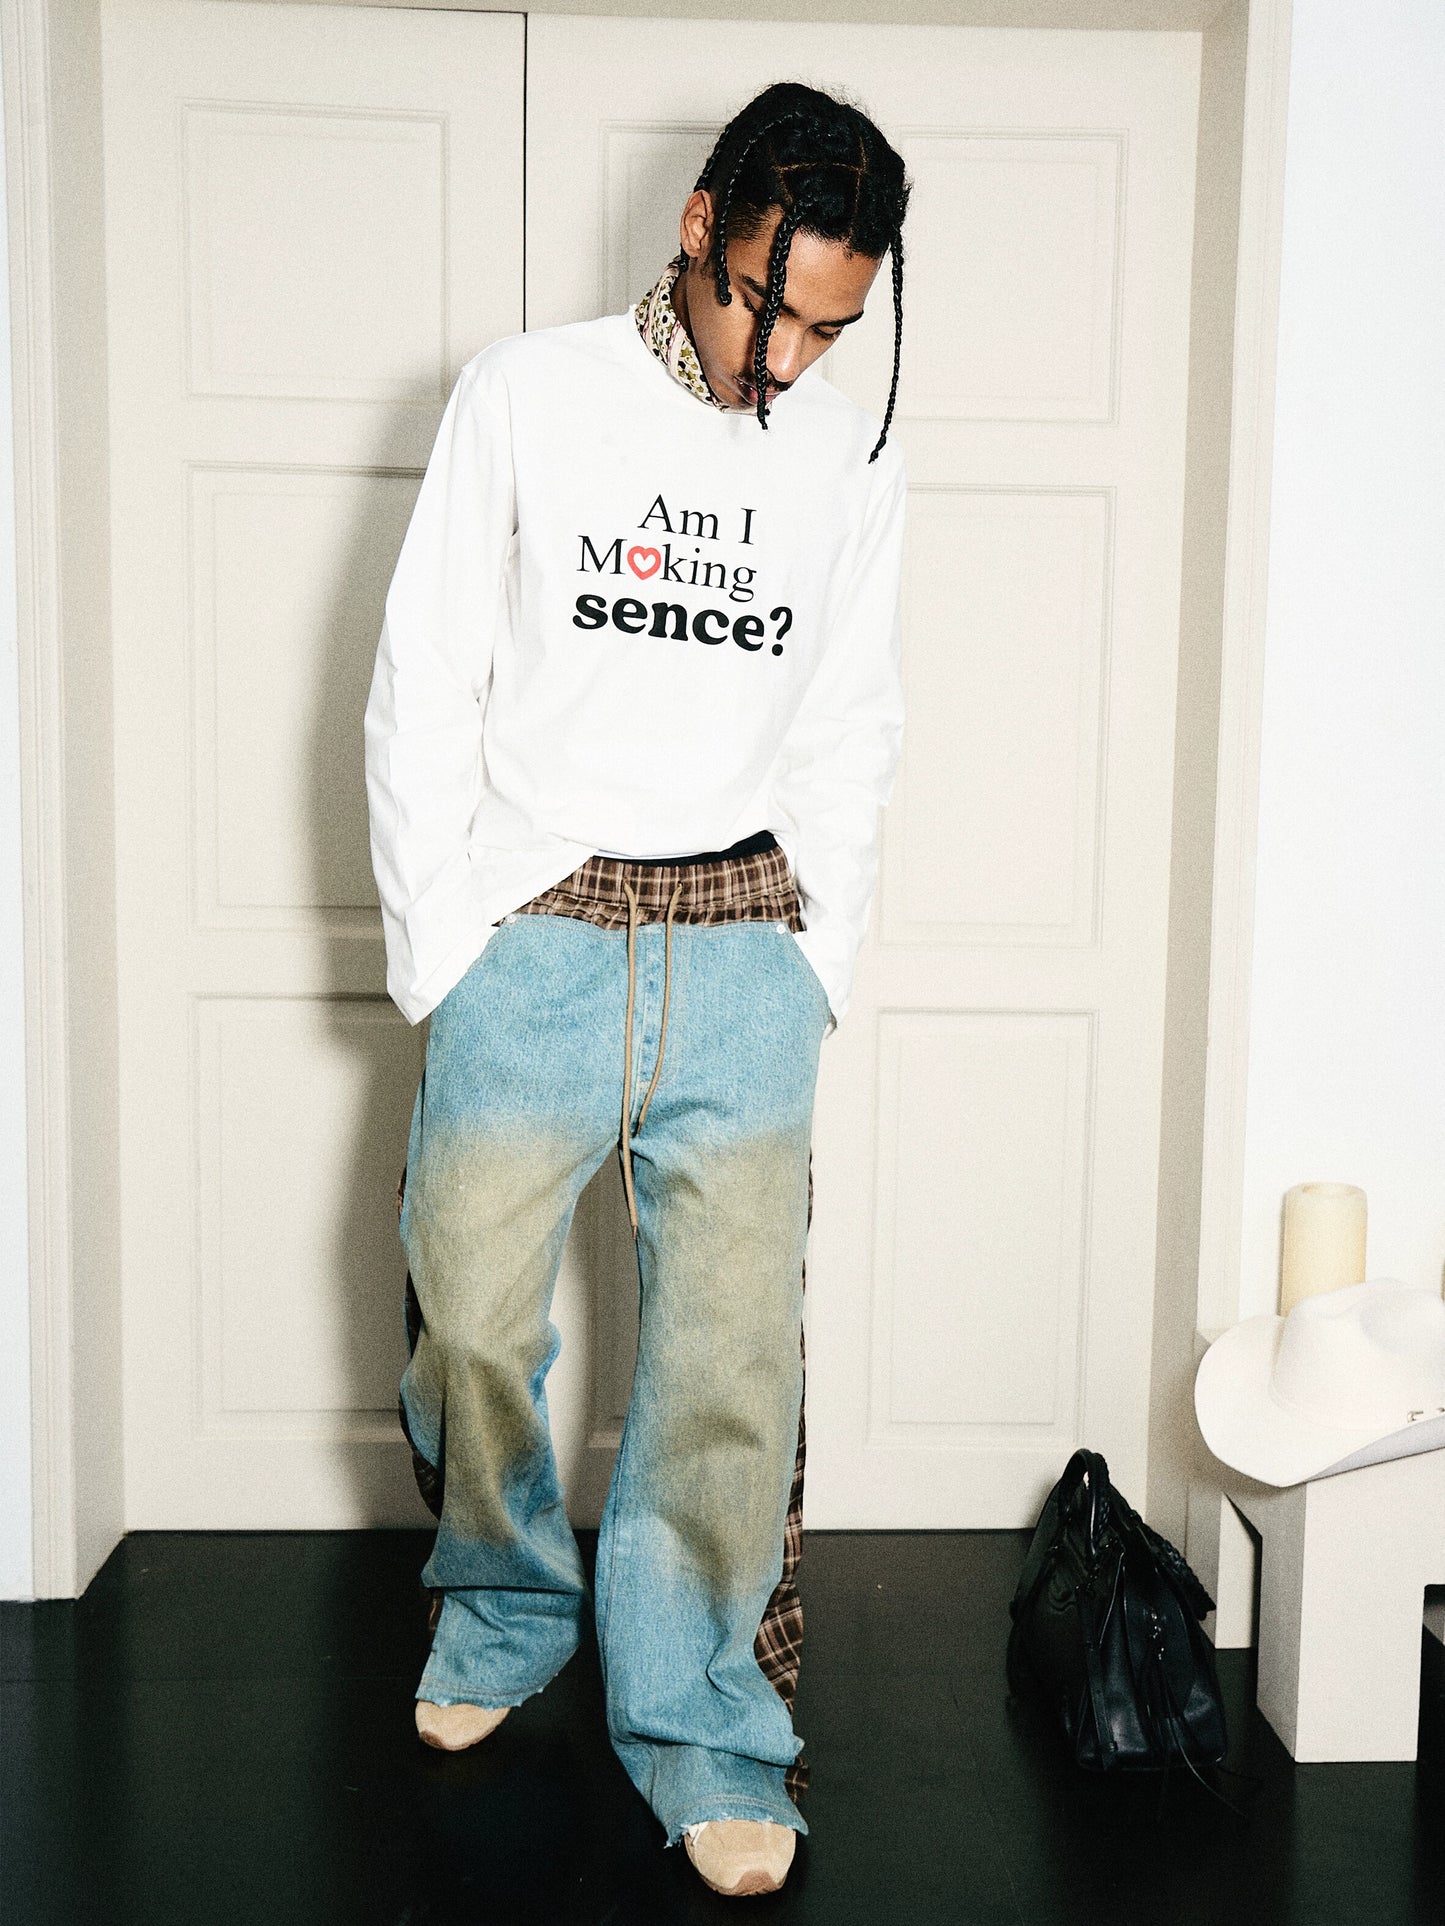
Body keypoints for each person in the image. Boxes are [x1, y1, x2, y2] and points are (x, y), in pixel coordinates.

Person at [364, 78, 911, 1900]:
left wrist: (816, 960)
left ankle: (697, 1721)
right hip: (536, 925)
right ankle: (503, 1602)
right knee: (466, 1313)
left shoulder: (846, 451)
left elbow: (851, 715)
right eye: (769, 305)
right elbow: (424, 673)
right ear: (699, 226)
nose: (787, 361)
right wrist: (444, 946)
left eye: (830, 328)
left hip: (744, 934)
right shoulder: (526, 395)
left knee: (727, 1368)